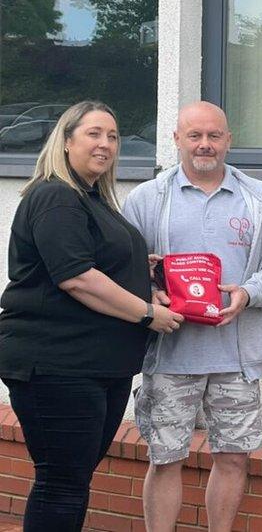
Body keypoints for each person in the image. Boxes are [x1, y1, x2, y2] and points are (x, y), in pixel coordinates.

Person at [0, 101, 184, 531]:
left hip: (95, 366)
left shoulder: (92, 198)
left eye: (113, 136)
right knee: (61, 484)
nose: (106, 144)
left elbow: (95, 263)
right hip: (57, 365)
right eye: (94, 134)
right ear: (66, 142)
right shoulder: (56, 196)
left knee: (71, 481)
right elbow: (77, 278)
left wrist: (140, 268)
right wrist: (147, 314)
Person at [122, 101, 262, 532]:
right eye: (195, 135)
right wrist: (148, 288)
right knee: (165, 459)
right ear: (177, 139)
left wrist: (249, 293)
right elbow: (120, 268)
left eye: (214, 136)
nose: (205, 145)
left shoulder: (258, 197)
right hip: (170, 354)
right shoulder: (146, 198)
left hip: (235, 357)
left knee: (234, 458)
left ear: (228, 140)